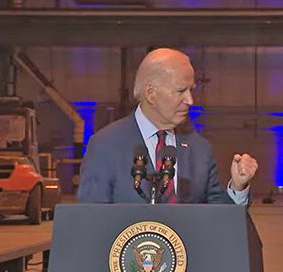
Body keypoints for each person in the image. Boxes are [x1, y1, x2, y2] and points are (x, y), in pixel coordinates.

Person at [77, 48, 258, 204]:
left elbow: (217, 219)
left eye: (191, 90)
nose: (190, 100)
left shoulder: (200, 148)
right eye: (180, 91)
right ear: (151, 93)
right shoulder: (104, 145)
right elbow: (92, 220)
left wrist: (238, 186)